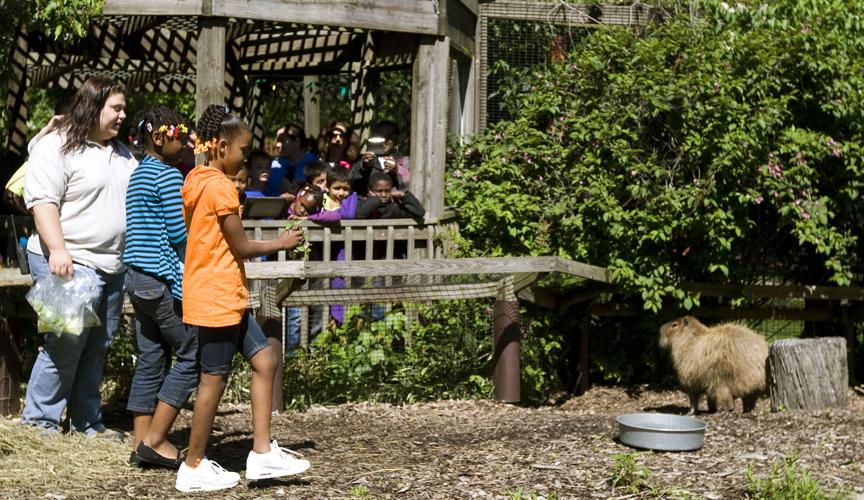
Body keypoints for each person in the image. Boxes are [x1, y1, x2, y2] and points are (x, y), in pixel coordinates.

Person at [176, 104, 310, 492]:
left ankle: (263, 454)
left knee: (265, 360)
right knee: (212, 381)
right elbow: (239, 245)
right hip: (217, 296)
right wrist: (282, 241)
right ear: (219, 147)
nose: (244, 157)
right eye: (241, 150)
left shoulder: (196, 178)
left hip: (222, 294)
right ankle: (193, 465)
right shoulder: (218, 187)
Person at [22, 76, 136, 438]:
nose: (122, 115)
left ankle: (87, 421)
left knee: (98, 345)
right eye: (115, 108)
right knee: (65, 343)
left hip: (111, 265)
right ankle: (39, 422)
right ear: (93, 105)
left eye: (123, 108)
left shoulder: (122, 153)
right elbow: (43, 201)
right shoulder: (57, 145)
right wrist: (58, 248)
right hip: (67, 261)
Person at [123, 106, 197, 469]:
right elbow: (180, 234)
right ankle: (156, 442)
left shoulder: (139, 174)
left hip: (136, 281)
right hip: (160, 281)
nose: (185, 142)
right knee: (192, 352)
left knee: (151, 359)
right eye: (180, 136)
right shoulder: (167, 176)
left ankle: (140, 442)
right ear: (159, 137)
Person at [352, 120, 410, 195]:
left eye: (388, 138)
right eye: (381, 137)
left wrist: (397, 171)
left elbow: (411, 186)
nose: (385, 142)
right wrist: (364, 166)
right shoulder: (366, 160)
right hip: (369, 203)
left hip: (395, 204)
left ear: (395, 140)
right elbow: (351, 180)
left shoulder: (404, 161)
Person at [264, 123, 316, 198]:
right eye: (277, 140)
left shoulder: (314, 164)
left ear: (297, 141)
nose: (277, 145)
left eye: (282, 140)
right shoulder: (273, 166)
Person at [357, 171, 425, 220]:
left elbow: (419, 213)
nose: (383, 195)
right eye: (379, 191)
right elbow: (359, 215)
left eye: (387, 191)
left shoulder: (393, 208)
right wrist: (375, 200)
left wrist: (404, 196)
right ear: (370, 190)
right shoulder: (361, 203)